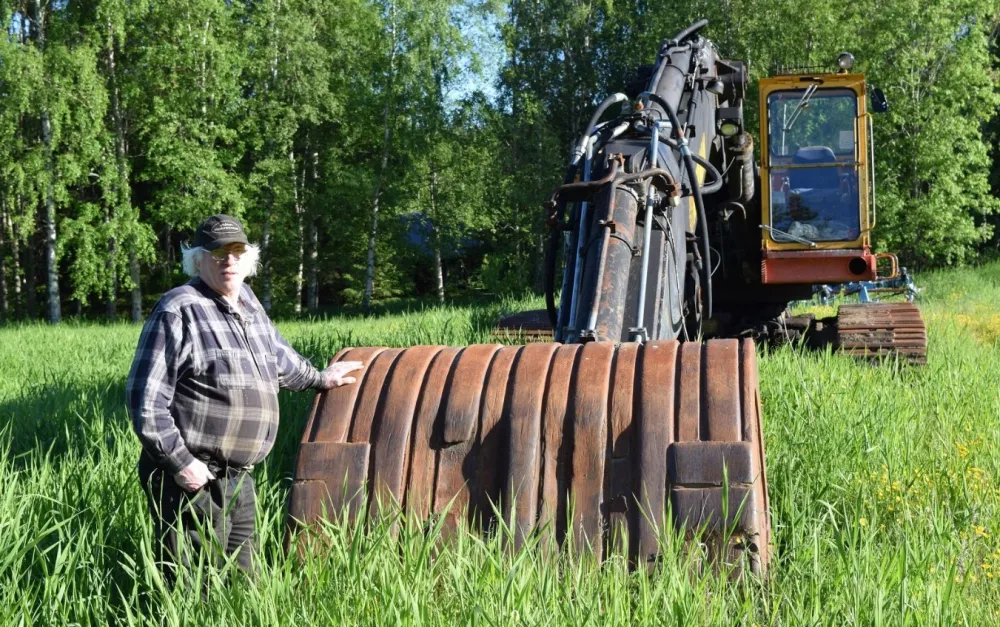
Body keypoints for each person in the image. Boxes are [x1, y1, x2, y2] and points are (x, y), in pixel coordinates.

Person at [125, 214, 363, 582]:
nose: (229, 260)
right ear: (197, 260)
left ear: (249, 257)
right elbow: (145, 400)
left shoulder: (248, 304)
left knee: (243, 584)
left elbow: (280, 360)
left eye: (237, 251)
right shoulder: (179, 309)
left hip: (239, 478)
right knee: (193, 587)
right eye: (217, 252)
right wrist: (181, 464)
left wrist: (320, 378)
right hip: (193, 476)